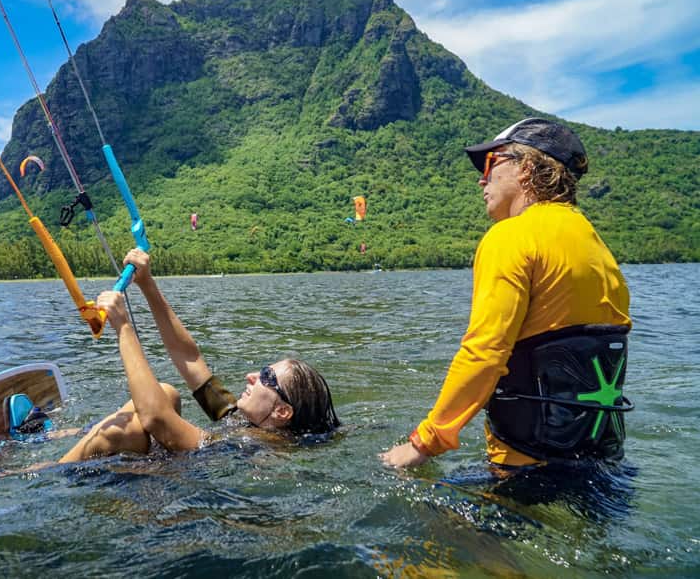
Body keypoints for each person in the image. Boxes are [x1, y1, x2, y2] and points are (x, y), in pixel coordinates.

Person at [380, 117, 632, 469]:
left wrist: (423, 443)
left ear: (526, 168)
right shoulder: (596, 246)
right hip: (605, 462)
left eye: (489, 164)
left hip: (527, 468)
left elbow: (484, 352)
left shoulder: (510, 237)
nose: (482, 180)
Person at [59, 248, 340, 462]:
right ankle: (60, 436)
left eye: (267, 377)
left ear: (282, 411)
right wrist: (147, 284)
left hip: (174, 498)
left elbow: (157, 419)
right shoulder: (241, 422)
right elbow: (190, 359)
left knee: (124, 431)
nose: (252, 376)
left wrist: (123, 327)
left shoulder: (251, 446)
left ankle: (39, 472)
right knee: (167, 392)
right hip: (173, 472)